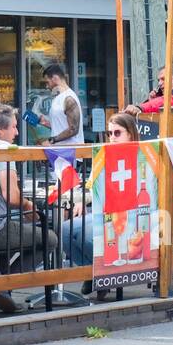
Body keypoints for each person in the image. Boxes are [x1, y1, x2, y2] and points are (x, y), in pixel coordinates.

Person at [0, 102, 59, 314]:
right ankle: (2, 285)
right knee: (49, 238)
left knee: (16, 231)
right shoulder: (4, 150)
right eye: (14, 127)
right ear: (0, 129)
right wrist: (29, 206)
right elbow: (11, 197)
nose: (16, 132)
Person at [58, 112, 138, 294]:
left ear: (130, 134)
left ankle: (102, 275)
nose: (112, 138)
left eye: (117, 133)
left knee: (88, 235)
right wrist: (82, 202)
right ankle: (94, 274)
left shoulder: (141, 156)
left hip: (127, 216)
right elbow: (91, 186)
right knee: (64, 230)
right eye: (110, 134)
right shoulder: (104, 155)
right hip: (100, 213)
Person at [126, 66, 173, 133]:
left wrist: (140, 108)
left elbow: (164, 102)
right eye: (159, 80)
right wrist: (152, 100)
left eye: (163, 79)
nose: (160, 83)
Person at [37, 63, 84, 146]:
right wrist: (46, 123)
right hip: (60, 152)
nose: (46, 86)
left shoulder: (69, 98)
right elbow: (61, 125)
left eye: (47, 82)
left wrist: (52, 140)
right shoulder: (58, 97)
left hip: (70, 154)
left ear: (55, 78)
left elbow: (73, 129)